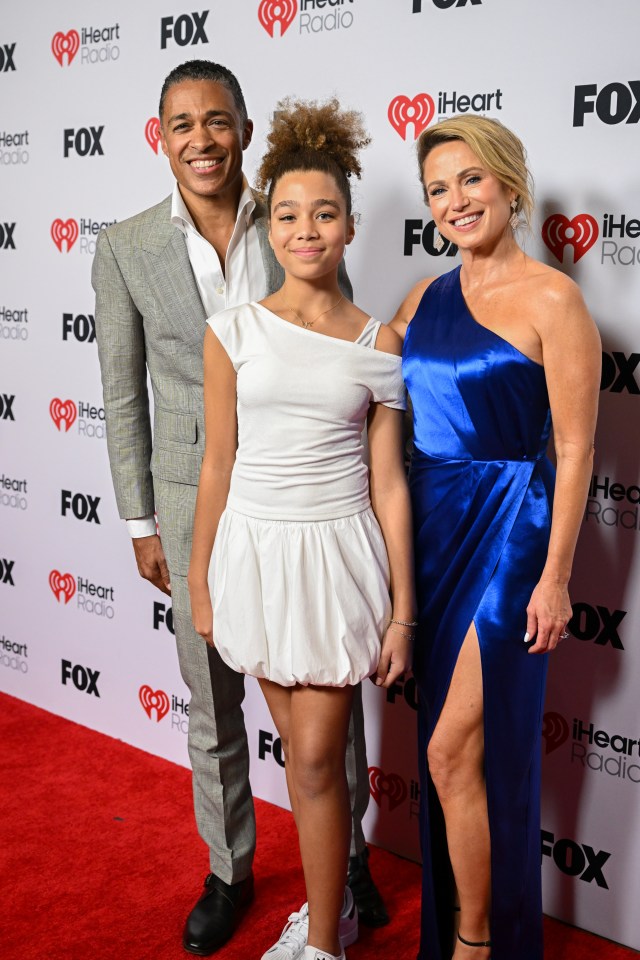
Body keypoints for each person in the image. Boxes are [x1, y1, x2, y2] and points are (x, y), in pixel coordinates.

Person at [91, 61, 387, 957]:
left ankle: (351, 864)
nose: (201, 139)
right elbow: (124, 395)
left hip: (304, 499)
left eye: (217, 120)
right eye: (181, 124)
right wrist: (142, 522)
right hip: (197, 496)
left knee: (324, 704)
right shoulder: (125, 247)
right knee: (212, 698)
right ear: (161, 137)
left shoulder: (294, 215)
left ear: (246, 130)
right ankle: (230, 869)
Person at [187, 98, 416, 960]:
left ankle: (324, 941)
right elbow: (217, 463)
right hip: (252, 549)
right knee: (302, 759)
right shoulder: (231, 331)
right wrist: (202, 582)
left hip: (334, 555)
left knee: (318, 761)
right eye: (287, 214)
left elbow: (390, 483)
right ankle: (331, 915)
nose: (305, 229)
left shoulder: (379, 341)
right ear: (267, 224)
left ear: (351, 226)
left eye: (324, 213)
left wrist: (403, 612)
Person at [390, 114, 601, 960]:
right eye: (438, 189)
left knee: (450, 751)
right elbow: (371, 403)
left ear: (510, 181)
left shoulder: (556, 298)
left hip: (515, 530)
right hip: (434, 533)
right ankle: (469, 931)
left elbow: (578, 446)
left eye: (470, 180)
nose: (455, 201)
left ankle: (477, 945)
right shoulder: (422, 298)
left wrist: (556, 577)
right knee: (458, 757)